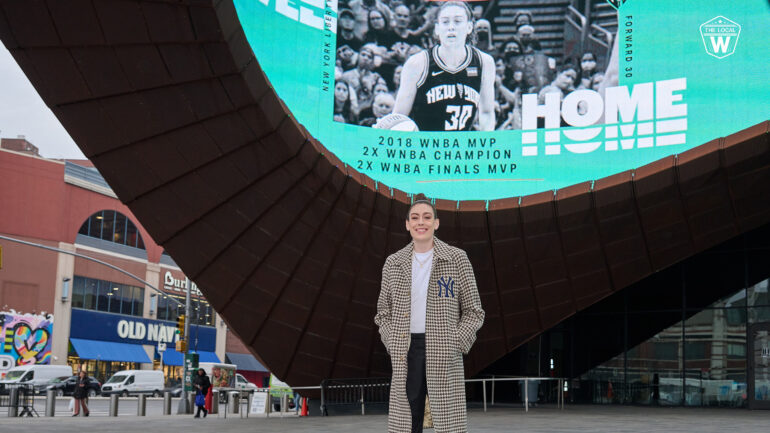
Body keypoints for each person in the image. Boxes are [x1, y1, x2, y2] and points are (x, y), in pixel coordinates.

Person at [375, 199, 485, 433]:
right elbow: (383, 313)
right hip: (406, 349)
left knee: (447, 423)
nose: (420, 222)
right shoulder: (393, 263)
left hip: (444, 347)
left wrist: (455, 343)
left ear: (436, 223)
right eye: (414, 218)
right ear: (407, 225)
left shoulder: (456, 259)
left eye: (426, 217)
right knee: (407, 422)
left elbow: (474, 311)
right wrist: (392, 342)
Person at [393, 1, 495, 131]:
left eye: (457, 21)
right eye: (445, 22)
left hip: (463, 148)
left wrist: (486, 145)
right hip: (424, 146)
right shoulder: (417, 63)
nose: (451, 27)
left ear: (469, 27)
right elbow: (399, 118)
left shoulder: (484, 62)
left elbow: (486, 113)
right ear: (437, 29)